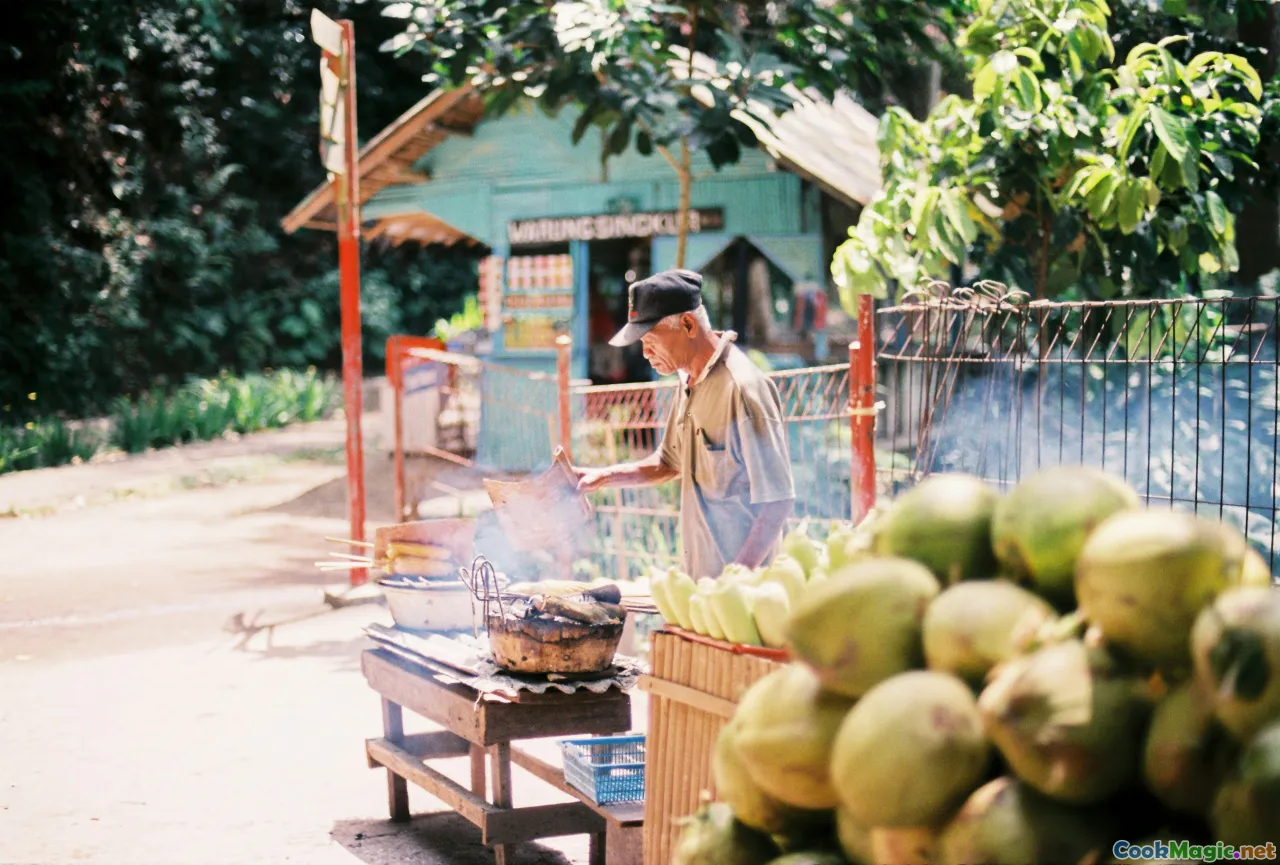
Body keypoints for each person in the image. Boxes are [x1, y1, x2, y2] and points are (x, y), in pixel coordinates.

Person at [573, 269, 796, 578]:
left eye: (650, 340)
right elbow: (667, 463)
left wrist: (736, 578)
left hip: (745, 593)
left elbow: (778, 500)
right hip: (702, 585)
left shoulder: (743, 388)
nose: (645, 353)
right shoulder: (687, 380)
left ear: (688, 325)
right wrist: (603, 476)